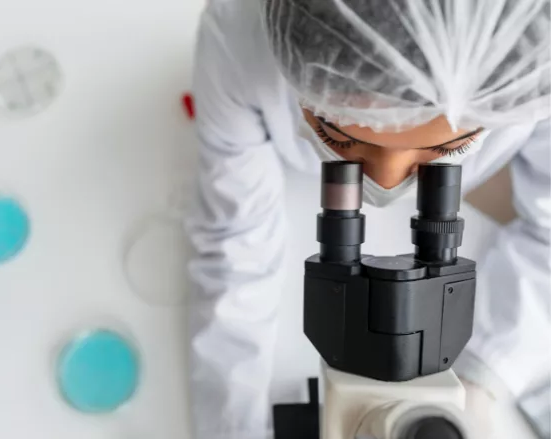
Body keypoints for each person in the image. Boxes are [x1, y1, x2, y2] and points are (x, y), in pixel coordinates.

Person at [184, 1, 551, 438]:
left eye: (448, 148)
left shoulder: (536, 60)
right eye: (338, 135)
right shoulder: (238, 41)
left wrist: (484, 378)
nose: (387, 180)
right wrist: (234, 427)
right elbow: (236, 242)